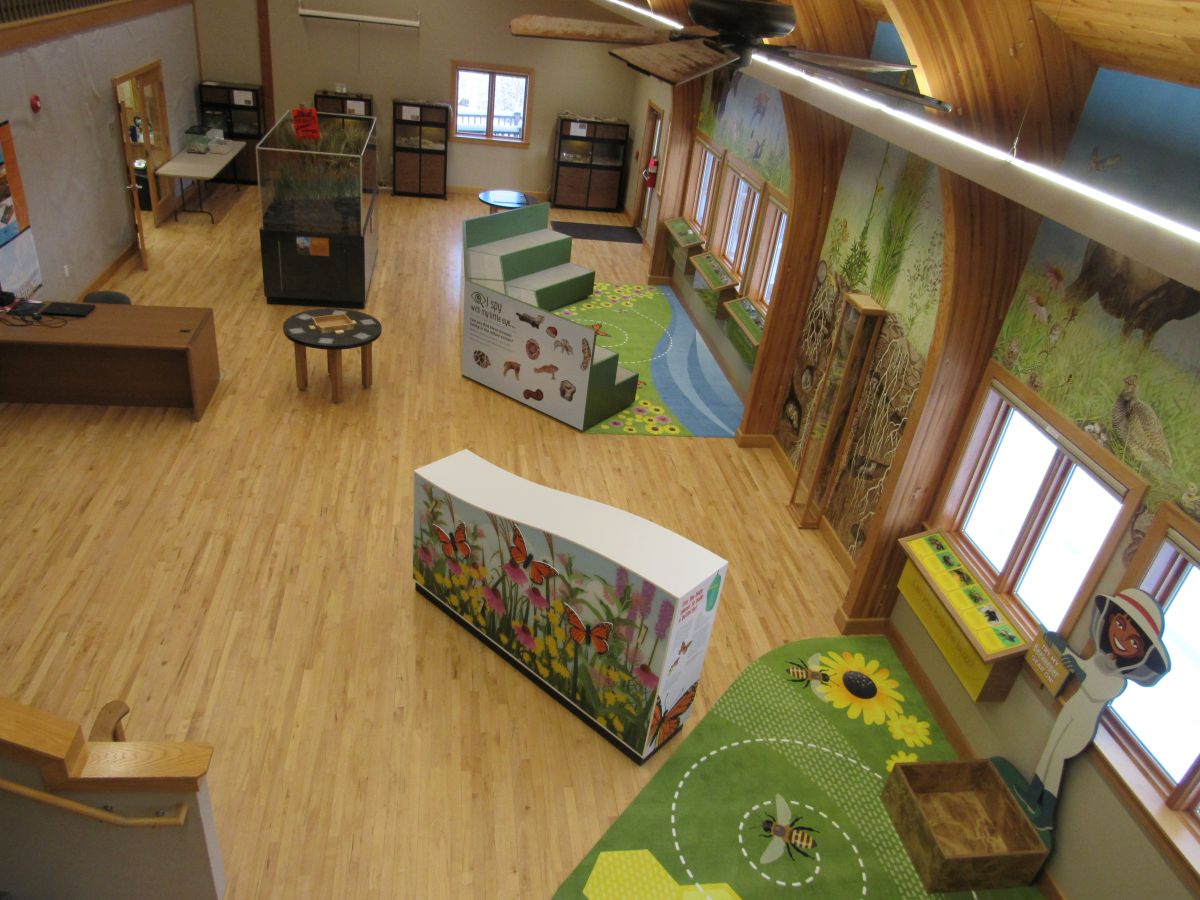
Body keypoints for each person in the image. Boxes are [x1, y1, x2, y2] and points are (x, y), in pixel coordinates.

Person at [1022, 588, 1170, 827]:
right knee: (1050, 749)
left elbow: (1096, 688)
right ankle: (1031, 795)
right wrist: (1061, 647)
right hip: (1072, 709)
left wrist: (1079, 671)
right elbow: (1082, 667)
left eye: (1133, 641)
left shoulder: (1118, 680)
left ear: (1141, 653)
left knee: (1058, 758)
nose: (1121, 639)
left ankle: (1046, 815)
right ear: (1110, 619)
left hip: (1083, 723)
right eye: (1121, 625)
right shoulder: (1100, 658)